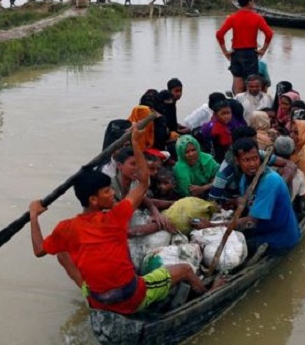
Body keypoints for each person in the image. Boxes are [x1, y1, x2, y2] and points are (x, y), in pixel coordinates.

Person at [29, 126, 215, 315]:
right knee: (185, 270)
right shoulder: (115, 217)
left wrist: (34, 215)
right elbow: (143, 183)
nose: (112, 194)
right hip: (133, 297)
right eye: (106, 192)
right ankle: (209, 295)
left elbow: (39, 250)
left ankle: (87, 294)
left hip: (98, 299)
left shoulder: (66, 227)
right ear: (93, 200)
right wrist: (135, 143)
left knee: (62, 253)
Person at [216, 0, 274, 95]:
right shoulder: (257, 18)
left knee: (238, 85)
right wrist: (263, 50)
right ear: (250, 1)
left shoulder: (232, 18)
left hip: (236, 54)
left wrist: (225, 52)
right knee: (251, 85)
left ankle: (238, 107)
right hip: (250, 54)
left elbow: (219, 34)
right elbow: (269, 34)